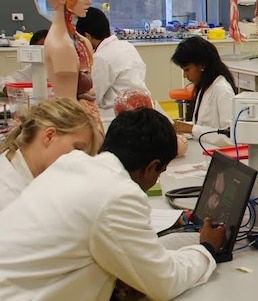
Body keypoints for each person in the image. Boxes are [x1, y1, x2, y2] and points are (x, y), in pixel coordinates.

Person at [0, 108, 225, 300]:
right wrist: (205, 249)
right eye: (160, 172)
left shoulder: (71, 163)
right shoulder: (119, 194)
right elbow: (164, 282)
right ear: (151, 167)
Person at [0, 98, 100, 207]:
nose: (80, 161)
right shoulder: (7, 197)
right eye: (78, 149)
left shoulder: (28, 175)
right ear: (49, 136)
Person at [42, 0, 101, 126]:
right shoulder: (60, 44)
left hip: (87, 118)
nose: (88, 1)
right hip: (74, 123)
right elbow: (67, 103)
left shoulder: (78, 40)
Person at [75, 6, 151, 123]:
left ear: (88, 36)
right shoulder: (127, 46)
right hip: (142, 110)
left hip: (115, 117)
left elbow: (93, 95)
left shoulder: (101, 57)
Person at [171, 36, 238, 146]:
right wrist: (180, 127)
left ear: (202, 65)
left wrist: (192, 129)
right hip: (203, 148)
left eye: (187, 70)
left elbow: (230, 137)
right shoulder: (204, 87)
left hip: (217, 154)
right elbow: (202, 124)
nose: (185, 75)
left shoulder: (222, 90)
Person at [0, 29, 47, 93]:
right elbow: (6, 80)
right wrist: (10, 89)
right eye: (43, 48)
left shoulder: (63, 69)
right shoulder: (36, 68)